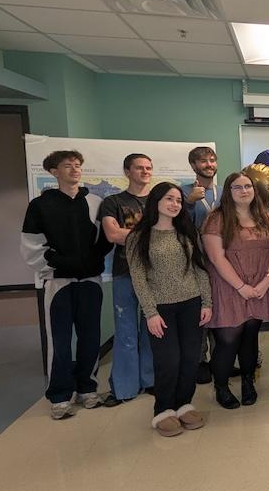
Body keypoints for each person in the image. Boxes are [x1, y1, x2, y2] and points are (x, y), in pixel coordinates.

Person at [21, 150, 112, 420]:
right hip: (58, 283)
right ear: (53, 171)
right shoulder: (40, 206)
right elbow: (31, 244)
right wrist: (56, 266)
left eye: (77, 165)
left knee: (90, 337)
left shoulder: (95, 202)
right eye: (67, 166)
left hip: (90, 281)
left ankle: (87, 388)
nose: (74, 169)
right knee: (59, 341)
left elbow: (104, 240)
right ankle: (60, 395)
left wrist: (91, 261)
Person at [126, 182, 213, 436]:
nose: (174, 204)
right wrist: (150, 313)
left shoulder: (187, 232)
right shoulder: (138, 237)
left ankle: (184, 404)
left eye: (178, 200)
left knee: (189, 359)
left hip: (192, 304)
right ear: (156, 201)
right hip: (161, 309)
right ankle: (163, 409)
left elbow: (200, 269)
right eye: (169, 199)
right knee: (169, 361)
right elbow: (138, 278)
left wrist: (206, 302)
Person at [202, 172, 269, 408]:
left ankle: (248, 381)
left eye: (248, 186)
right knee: (228, 340)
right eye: (238, 187)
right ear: (229, 191)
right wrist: (241, 286)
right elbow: (216, 258)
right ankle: (221, 387)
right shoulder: (216, 219)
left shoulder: (266, 217)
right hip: (228, 288)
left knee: (250, 336)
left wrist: (266, 280)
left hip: (260, 285)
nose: (244, 190)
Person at [98, 153, 154, 407]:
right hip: (126, 273)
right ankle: (124, 387)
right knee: (126, 331)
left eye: (148, 168)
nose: (144, 172)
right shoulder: (113, 202)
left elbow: (169, 234)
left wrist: (129, 234)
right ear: (127, 171)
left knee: (154, 330)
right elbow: (112, 234)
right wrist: (149, 236)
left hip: (157, 274)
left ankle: (150, 380)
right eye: (139, 168)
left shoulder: (159, 201)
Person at [179, 146, 219, 384]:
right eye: (203, 161)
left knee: (220, 310)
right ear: (193, 166)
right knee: (199, 313)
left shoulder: (224, 192)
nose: (209, 164)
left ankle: (220, 358)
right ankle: (199, 362)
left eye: (212, 160)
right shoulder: (183, 193)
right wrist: (189, 203)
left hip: (221, 261)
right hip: (196, 262)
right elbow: (175, 224)